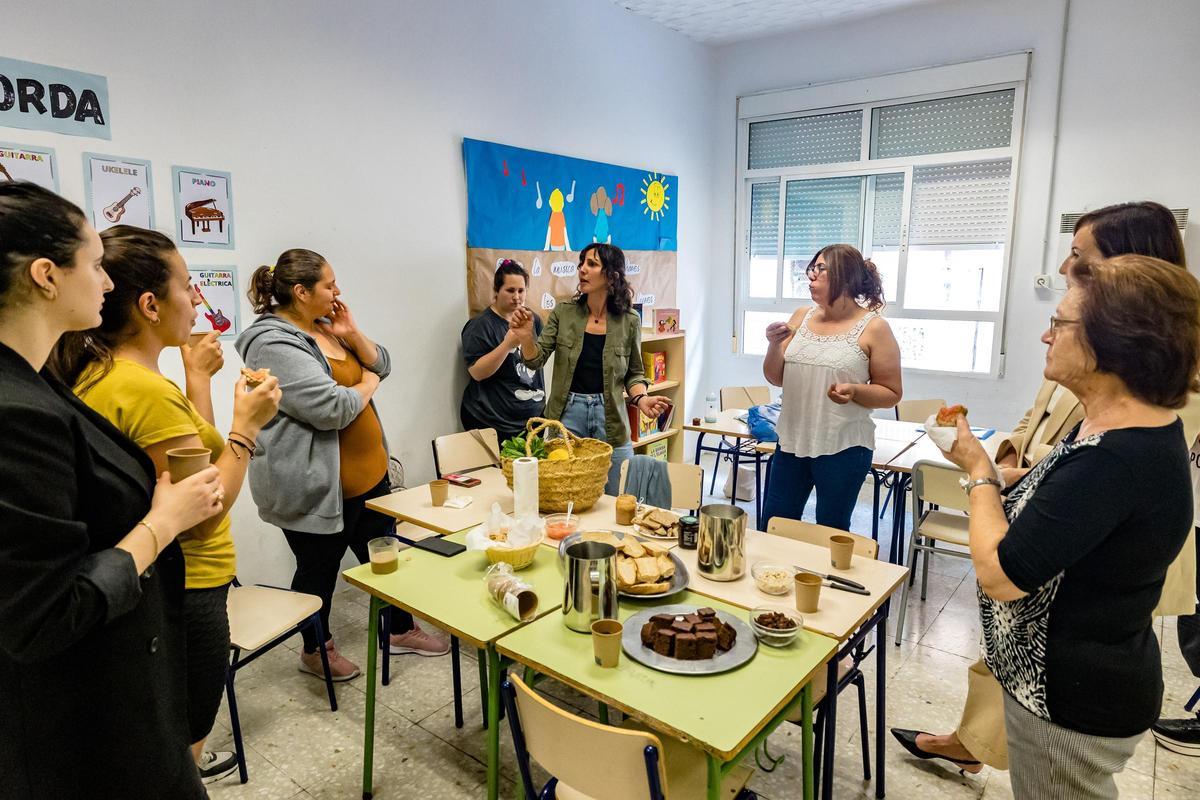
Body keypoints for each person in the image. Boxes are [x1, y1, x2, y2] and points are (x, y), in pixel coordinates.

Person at [893, 201, 1200, 773]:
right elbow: (1051, 432)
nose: (1064, 268)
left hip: (1070, 687)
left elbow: (1004, 573)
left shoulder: (1123, 447)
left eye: (1079, 258)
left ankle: (974, 745)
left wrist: (980, 471)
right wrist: (1024, 471)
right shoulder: (1113, 418)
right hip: (1053, 643)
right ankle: (974, 742)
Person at [0, 182, 223, 797]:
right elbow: (45, 613)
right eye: (95, 265)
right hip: (82, 719)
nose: (105, 282)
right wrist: (164, 521)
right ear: (46, 275)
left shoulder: (41, 379)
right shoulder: (16, 411)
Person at [51, 225, 282, 785]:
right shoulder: (144, 390)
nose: (197, 299)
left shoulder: (109, 373)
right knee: (180, 752)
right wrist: (247, 429)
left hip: (162, 585)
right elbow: (204, 511)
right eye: (186, 285)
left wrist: (197, 378)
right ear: (150, 305)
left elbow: (190, 458)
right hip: (191, 588)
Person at [238, 249, 448, 681]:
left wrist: (352, 333)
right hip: (316, 489)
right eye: (329, 284)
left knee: (386, 557)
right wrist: (369, 382)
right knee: (318, 573)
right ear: (301, 292)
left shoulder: (325, 326)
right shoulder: (272, 343)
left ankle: (399, 630)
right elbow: (332, 409)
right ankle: (316, 650)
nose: (338, 290)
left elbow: (383, 362)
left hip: (369, 479)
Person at [760, 244, 902, 531]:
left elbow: (891, 393)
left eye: (820, 269)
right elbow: (776, 377)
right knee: (774, 526)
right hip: (792, 442)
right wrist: (774, 345)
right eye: (811, 268)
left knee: (830, 531)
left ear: (846, 277)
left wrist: (855, 391)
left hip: (844, 448)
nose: (811, 275)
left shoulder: (874, 328)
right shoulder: (801, 316)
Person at [511, 243, 669, 494]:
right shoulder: (564, 313)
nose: (582, 269)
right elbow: (535, 360)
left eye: (592, 264)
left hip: (611, 418)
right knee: (565, 494)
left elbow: (634, 374)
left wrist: (642, 399)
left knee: (618, 496)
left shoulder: (629, 321)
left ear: (611, 276)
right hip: (567, 416)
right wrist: (526, 338)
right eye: (582, 262)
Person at [460, 259, 545, 441]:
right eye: (510, 290)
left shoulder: (532, 320)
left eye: (521, 290)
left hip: (532, 420)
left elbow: (538, 359)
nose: (517, 297)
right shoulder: (480, 325)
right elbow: (477, 372)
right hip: (493, 421)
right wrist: (507, 345)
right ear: (496, 291)